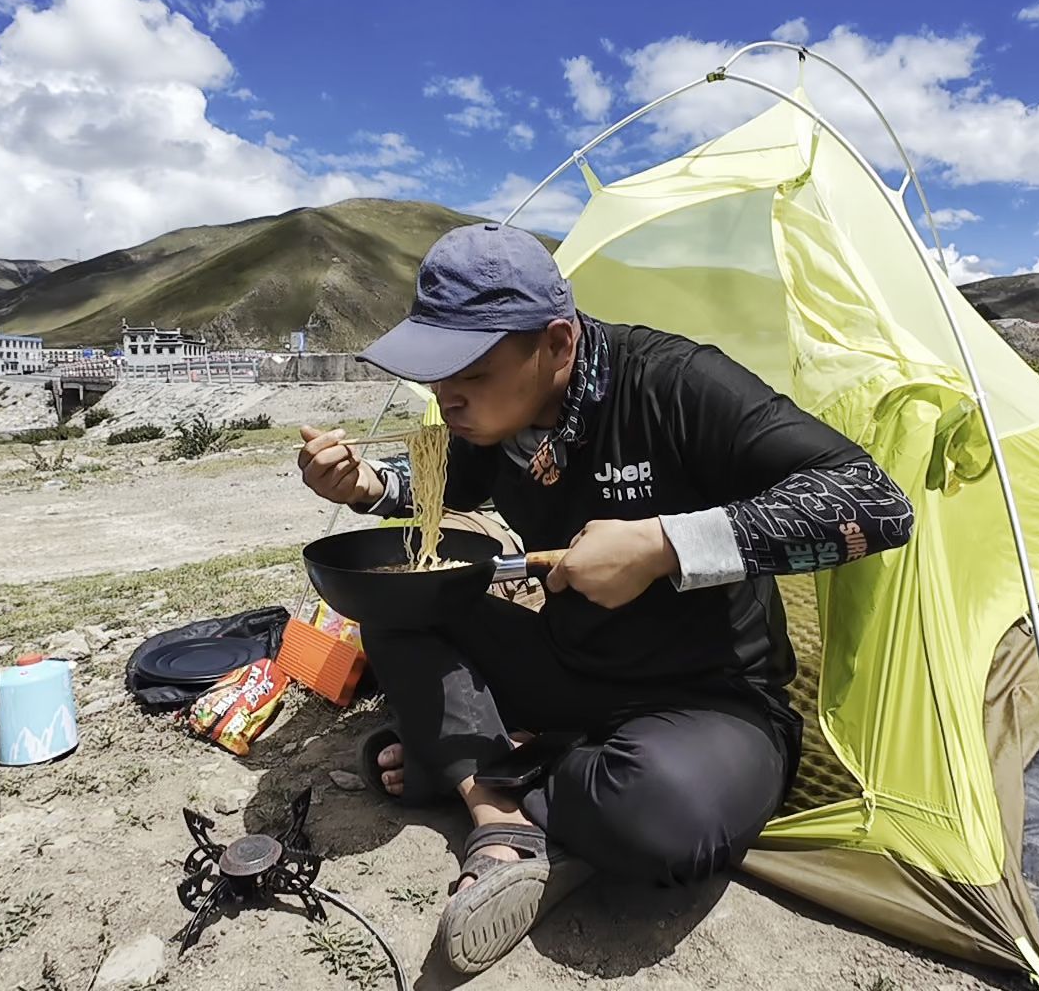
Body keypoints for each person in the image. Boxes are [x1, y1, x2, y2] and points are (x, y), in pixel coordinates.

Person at [296, 223, 914, 974]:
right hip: (569, 662)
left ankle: (476, 757)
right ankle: (495, 809)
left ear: (557, 343)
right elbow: (445, 485)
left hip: (708, 699)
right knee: (396, 603)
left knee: (665, 816)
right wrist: (366, 484)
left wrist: (665, 545)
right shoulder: (492, 413)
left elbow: (876, 504)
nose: (444, 397)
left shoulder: (676, 383)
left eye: (467, 372)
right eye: (433, 372)